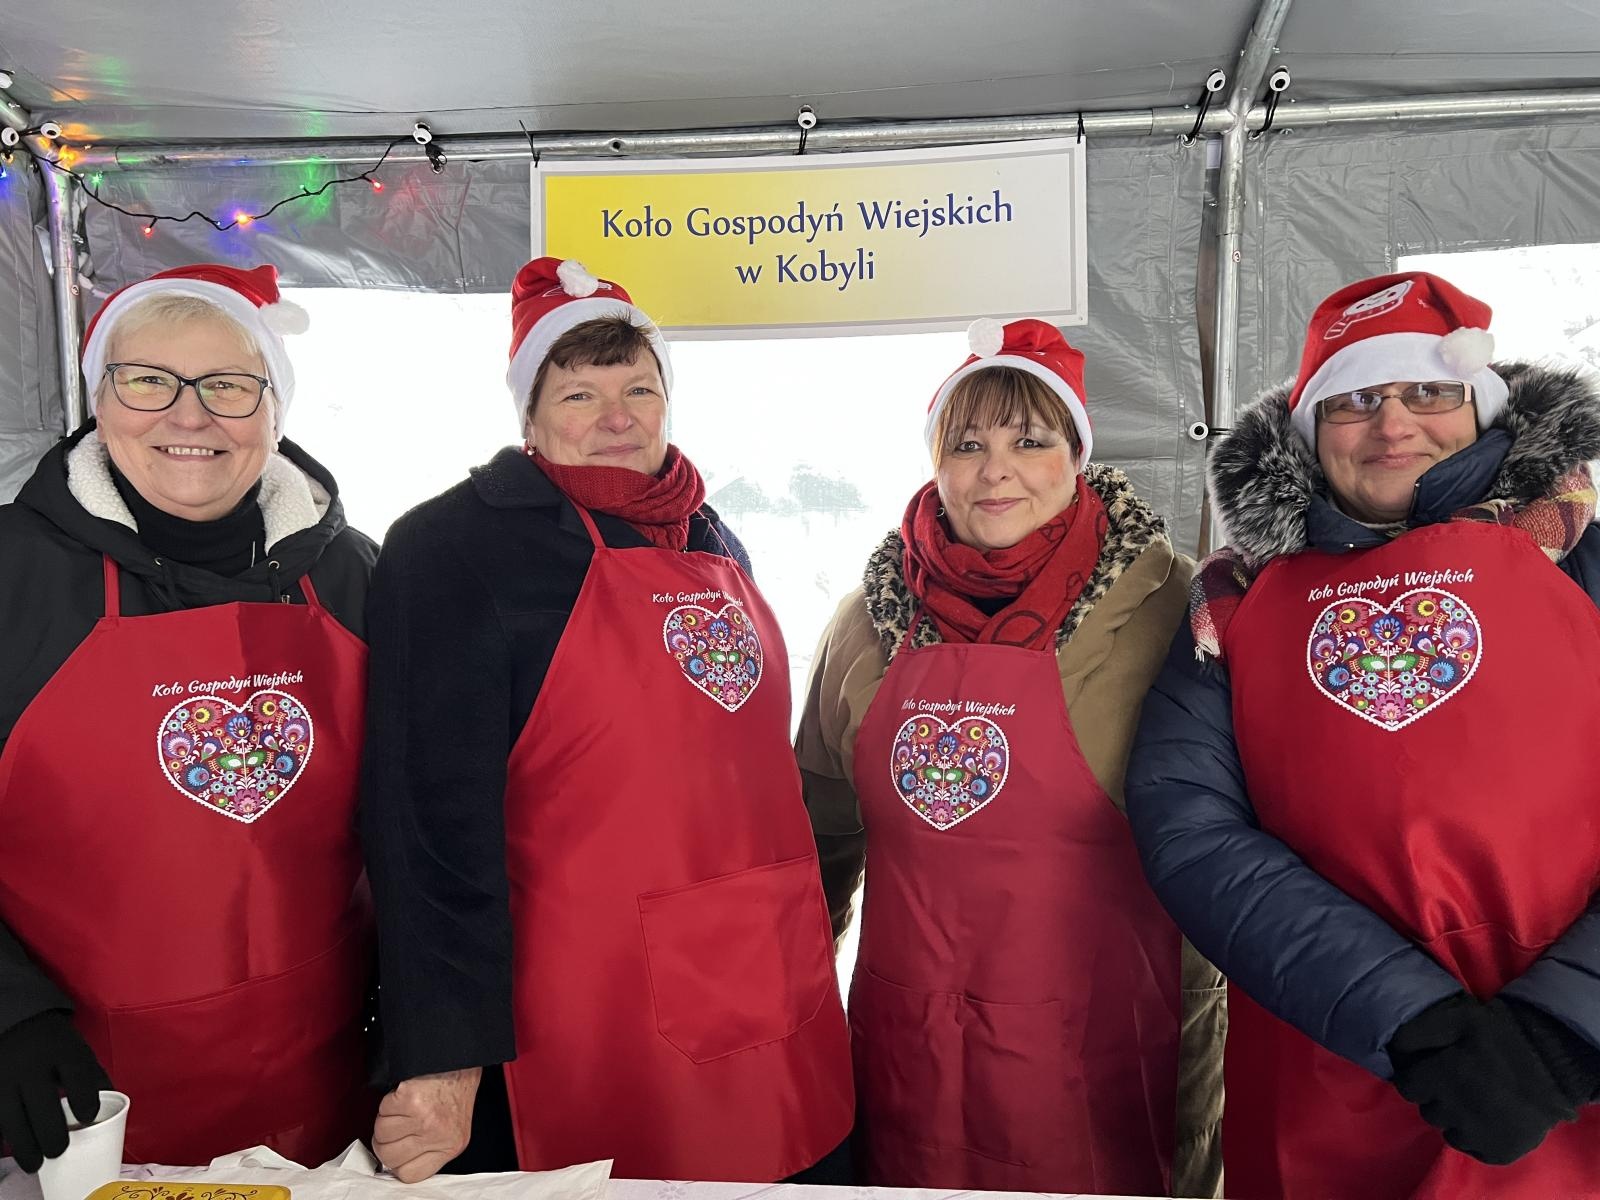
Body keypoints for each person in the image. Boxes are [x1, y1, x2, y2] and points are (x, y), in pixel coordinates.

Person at [361, 257, 852, 1184]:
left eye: (639, 388)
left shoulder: (714, 535)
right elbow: (423, 824)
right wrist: (445, 1052)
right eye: (581, 393)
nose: (618, 417)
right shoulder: (454, 548)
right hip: (589, 1002)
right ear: (532, 418)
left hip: (764, 969)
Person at [1127, 271, 1600, 1200]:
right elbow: (1188, 824)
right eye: (1355, 401)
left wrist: (1564, 1029)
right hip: (1329, 1059)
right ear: (1307, 434)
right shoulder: (1236, 600)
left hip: (1566, 1080)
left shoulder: (1585, 561)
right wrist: (1410, 1019)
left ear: (1481, 406)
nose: (1394, 426)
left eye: (1428, 391)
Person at [796, 318, 1225, 1197]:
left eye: (1030, 440)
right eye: (968, 443)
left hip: (1108, 1043)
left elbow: (1236, 834)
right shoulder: (863, 623)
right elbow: (820, 828)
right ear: (936, 463)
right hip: (910, 1042)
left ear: (1075, 454)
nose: (997, 469)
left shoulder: (1176, 607)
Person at [0, 264, 378, 1168]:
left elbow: (419, 815)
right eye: (148, 379)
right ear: (100, 398)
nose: (189, 415)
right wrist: (7, 1008)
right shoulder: (12, 574)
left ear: (275, 413)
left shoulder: (358, 575)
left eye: (228, 386)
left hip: (327, 1075)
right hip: (78, 1092)